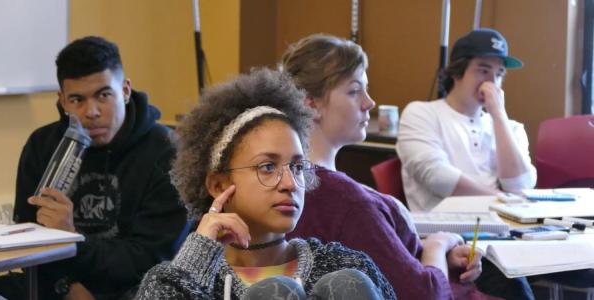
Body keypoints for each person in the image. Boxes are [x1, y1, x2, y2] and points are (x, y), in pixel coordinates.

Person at [281, 33, 534, 300]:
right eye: (355, 91)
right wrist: (438, 244)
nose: (370, 103)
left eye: (499, 73)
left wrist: (436, 251)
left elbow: (380, 254)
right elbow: (424, 294)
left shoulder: (296, 184)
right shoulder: (348, 201)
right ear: (311, 104)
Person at [136, 68, 397, 299]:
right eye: (268, 167)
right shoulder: (190, 280)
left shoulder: (343, 265)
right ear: (217, 185)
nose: (290, 183)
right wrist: (198, 254)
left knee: (347, 284)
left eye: (296, 167)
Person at [4, 36, 187, 300]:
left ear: (124, 90)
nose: (92, 112)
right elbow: (28, 240)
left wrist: (72, 238)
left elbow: (152, 257)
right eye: (77, 99)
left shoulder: (167, 151)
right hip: (59, 285)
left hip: (139, 288)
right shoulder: (42, 146)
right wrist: (67, 287)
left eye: (103, 95)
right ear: (63, 101)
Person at [397, 28, 537, 212]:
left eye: (500, 74)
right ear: (457, 73)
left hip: (505, 229)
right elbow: (438, 177)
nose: (492, 82)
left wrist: (498, 115)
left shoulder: (512, 128)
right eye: (483, 70)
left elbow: (521, 186)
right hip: (442, 232)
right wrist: (503, 201)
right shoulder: (420, 114)